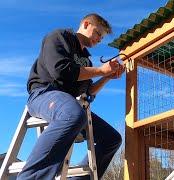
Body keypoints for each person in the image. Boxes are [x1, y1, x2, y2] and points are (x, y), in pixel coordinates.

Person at [17, 13, 125, 180]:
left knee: (112, 139)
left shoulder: (86, 61)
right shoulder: (59, 37)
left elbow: (88, 92)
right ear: (86, 24)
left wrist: (106, 77)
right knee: (73, 114)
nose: (99, 40)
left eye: (102, 38)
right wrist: (101, 70)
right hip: (43, 94)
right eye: (98, 33)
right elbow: (61, 71)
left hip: (70, 104)